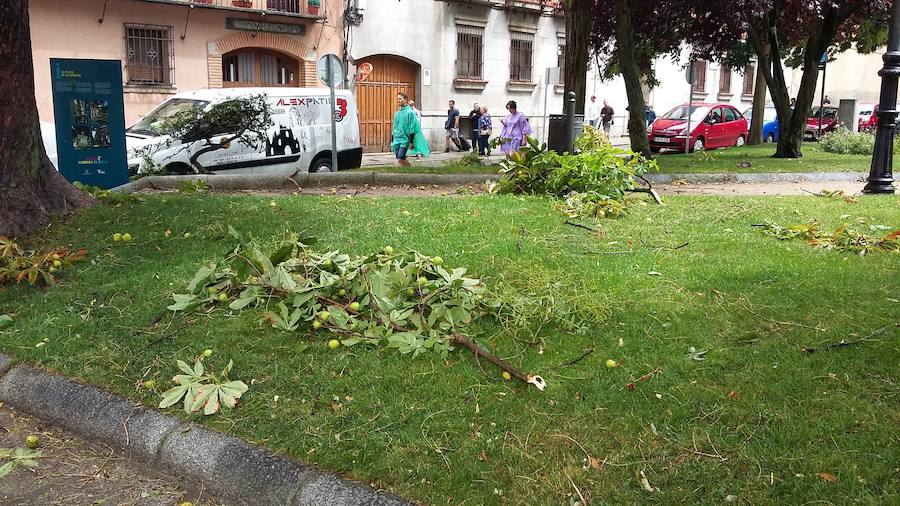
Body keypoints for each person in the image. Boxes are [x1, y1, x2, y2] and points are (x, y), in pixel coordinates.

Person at [391, 92, 430, 167]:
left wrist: (411, 142)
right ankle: (405, 169)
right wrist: (393, 139)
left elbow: (412, 128)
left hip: (405, 139)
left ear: (405, 100)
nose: (398, 100)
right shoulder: (397, 113)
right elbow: (394, 126)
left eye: (400, 99)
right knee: (399, 157)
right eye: (397, 99)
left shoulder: (410, 113)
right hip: (397, 138)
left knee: (401, 156)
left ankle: (409, 168)